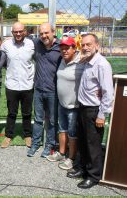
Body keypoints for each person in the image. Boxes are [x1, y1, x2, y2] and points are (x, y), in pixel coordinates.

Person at [67, 34, 114, 189]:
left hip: (94, 110)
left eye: (89, 44)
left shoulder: (102, 65)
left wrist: (102, 115)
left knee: (92, 144)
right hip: (83, 107)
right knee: (82, 141)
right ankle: (82, 168)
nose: (85, 47)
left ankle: (93, 176)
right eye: (84, 45)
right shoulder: (87, 61)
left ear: (97, 46)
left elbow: (108, 92)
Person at [46, 37, 84, 170]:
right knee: (62, 129)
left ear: (74, 48)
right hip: (62, 103)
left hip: (74, 105)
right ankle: (62, 153)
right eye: (62, 48)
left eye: (67, 48)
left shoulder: (81, 62)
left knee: (73, 133)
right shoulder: (62, 60)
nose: (64, 51)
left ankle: (71, 158)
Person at [27, 23, 62, 158]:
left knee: (53, 120)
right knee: (38, 119)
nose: (44, 36)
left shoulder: (60, 47)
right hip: (39, 90)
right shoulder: (37, 43)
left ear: (53, 32)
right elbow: (21, 37)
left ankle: (50, 145)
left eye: (46, 33)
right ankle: (36, 143)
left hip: (53, 91)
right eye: (41, 33)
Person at [0, 22, 35, 148]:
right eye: (16, 31)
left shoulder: (32, 44)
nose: (18, 34)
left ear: (25, 31)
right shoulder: (6, 45)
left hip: (27, 85)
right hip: (12, 85)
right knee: (11, 112)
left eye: (21, 31)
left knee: (27, 112)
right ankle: (8, 136)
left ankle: (27, 135)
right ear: (12, 32)